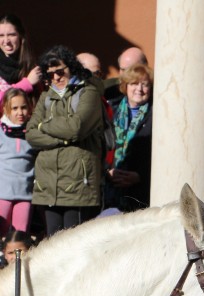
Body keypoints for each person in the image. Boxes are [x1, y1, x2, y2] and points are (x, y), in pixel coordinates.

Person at [26, 45, 104, 236]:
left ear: (72, 67)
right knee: (53, 241)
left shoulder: (89, 93)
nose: (56, 78)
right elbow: (30, 134)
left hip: (78, 182)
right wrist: (64, 139)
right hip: (48, 183)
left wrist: (44, 125)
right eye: (50, 74)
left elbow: (76, 128)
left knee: (74, 243)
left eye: (60, 72)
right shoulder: (46, 96)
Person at [104, 64, 153, 212]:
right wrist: (107, 171)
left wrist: (140, 176)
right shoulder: (111, 110)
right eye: (134, 83)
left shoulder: (157, 115)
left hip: (139, 193)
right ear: (125, 86)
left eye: (145, 85)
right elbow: (100, 146)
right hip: (108, 188)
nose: (139, 89)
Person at [0, 88, 34, 234]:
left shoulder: (32, 133)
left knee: (20, 235)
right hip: (2, 194)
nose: (20, 113)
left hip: (25, 194)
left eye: (23, 107)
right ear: (6, 110)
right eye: (14, 108)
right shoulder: (1, 132)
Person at [0, 14, 41, 103]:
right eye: (1, 36)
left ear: (20, 36)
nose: (6, 41)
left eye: (12, 35)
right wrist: (27, 83)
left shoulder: (33, 68)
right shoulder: (31, 78)